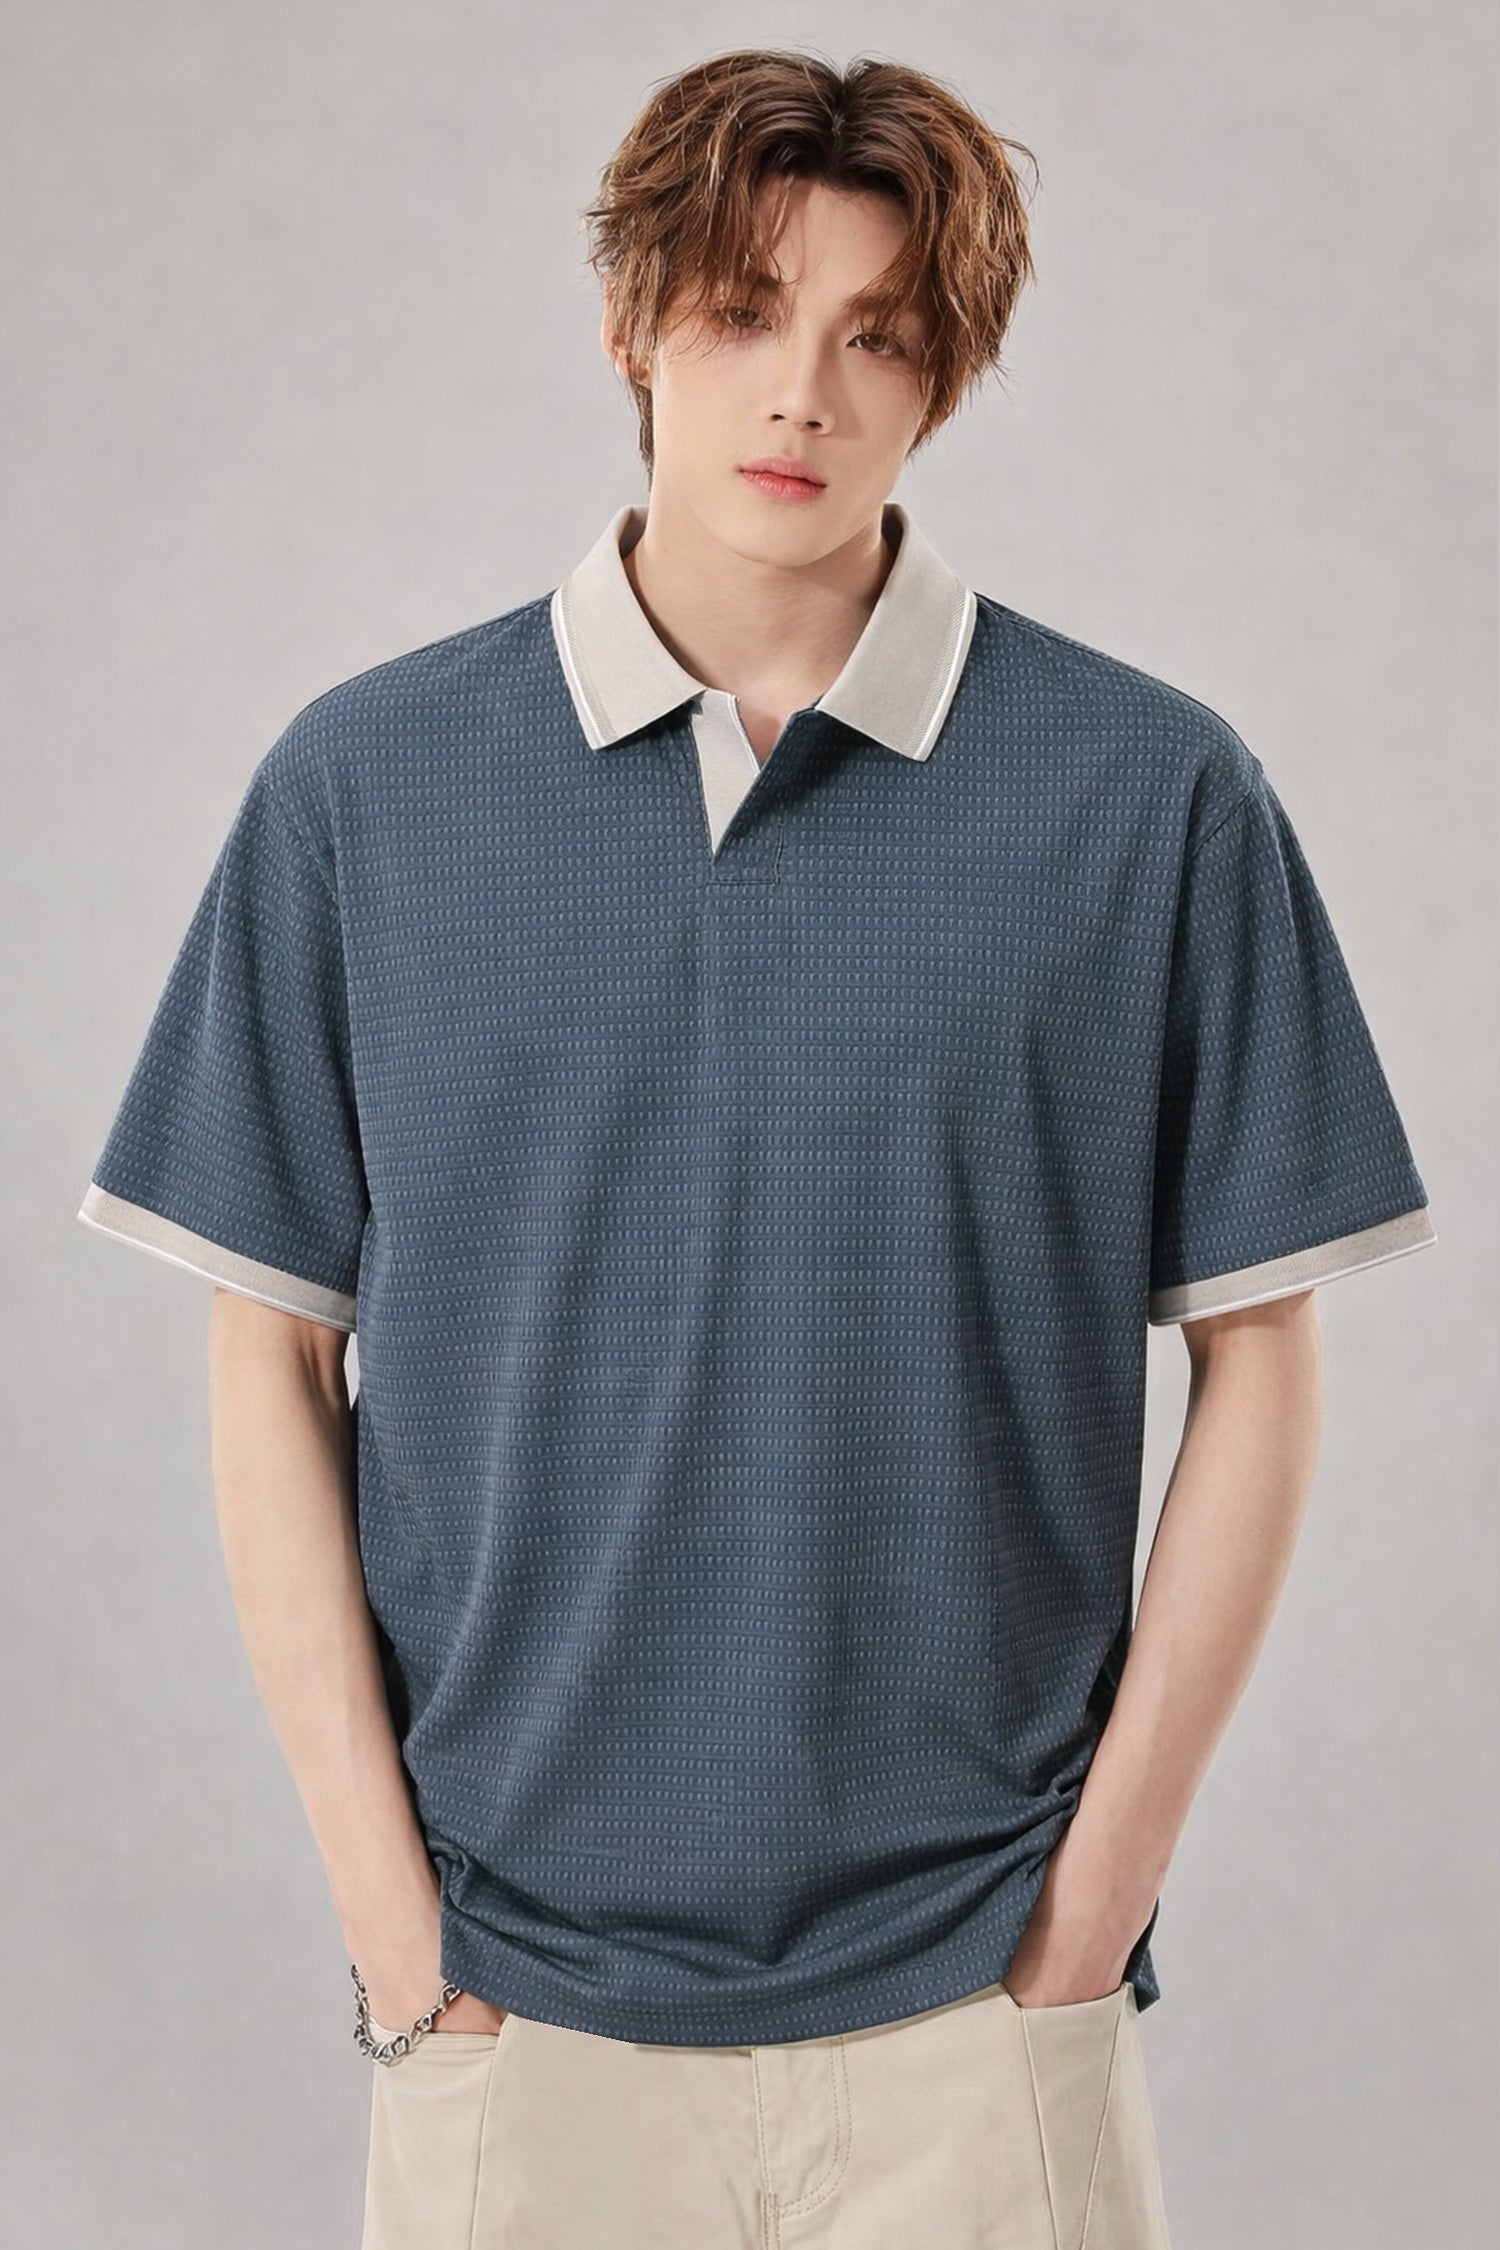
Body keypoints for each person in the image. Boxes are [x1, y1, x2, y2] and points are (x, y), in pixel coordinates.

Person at [75, 47, 1437, 2250]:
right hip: (516, 2017)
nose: (801, 391)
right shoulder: (364, 793)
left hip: (982, 2013)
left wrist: (1085, 1929)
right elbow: (270, 1359)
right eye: (741, 312)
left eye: (877, 336)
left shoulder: (1150, 797)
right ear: (634, 324)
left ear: (945, 380)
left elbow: (1261, 1359)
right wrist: (403, 1954)